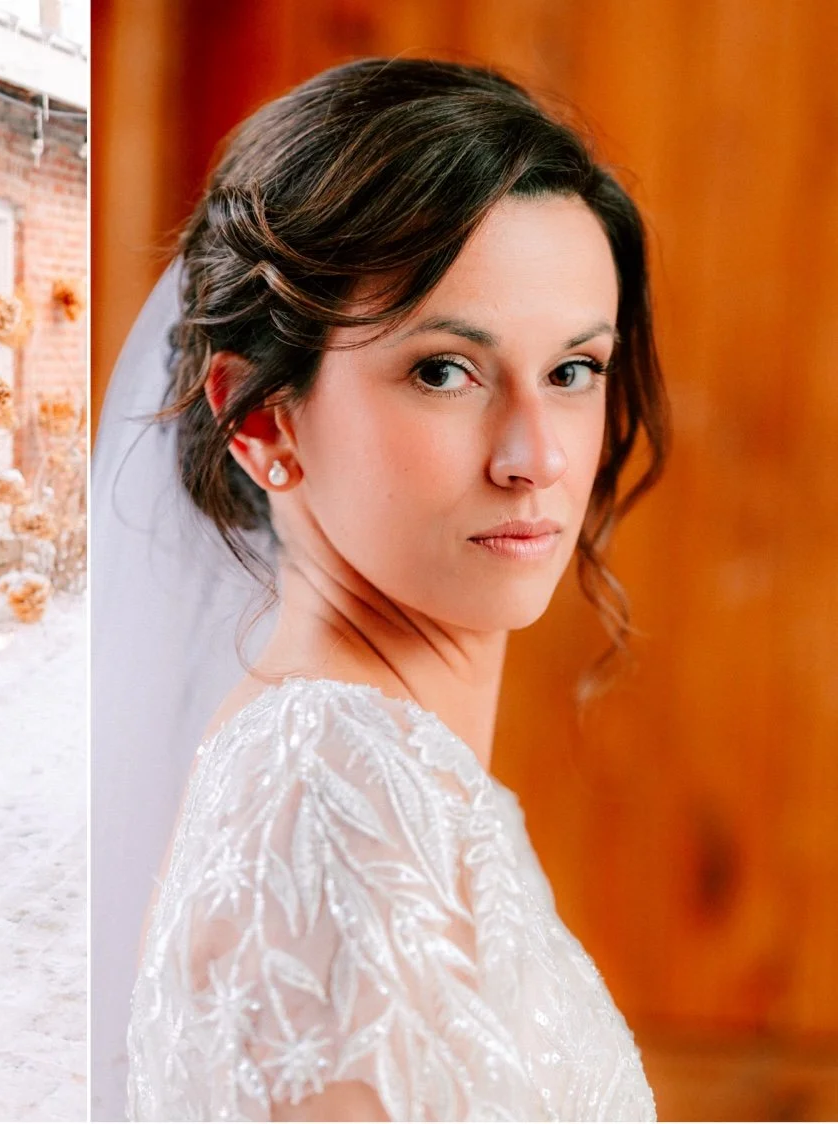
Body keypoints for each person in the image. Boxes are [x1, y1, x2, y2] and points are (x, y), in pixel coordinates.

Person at [105, 59, 669, 1120]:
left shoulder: (350, 761)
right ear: (263, 416)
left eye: (574, 369)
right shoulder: (334, 799)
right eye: (446, 369)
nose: (536, 456)